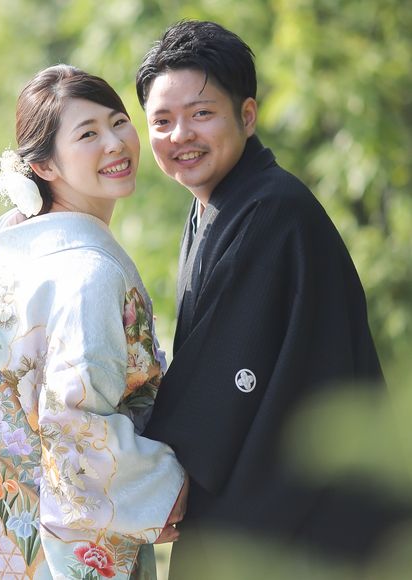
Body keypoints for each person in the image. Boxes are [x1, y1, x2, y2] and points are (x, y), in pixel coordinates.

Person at [135, 19, 409, 577]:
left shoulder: (272, 211)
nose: (180, 134)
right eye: (162, 121)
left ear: (248, 115)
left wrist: (139, 471)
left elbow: (223, 381)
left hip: (295, 514)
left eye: (201, 113)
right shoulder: (220, 204)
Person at [0, 64, 188, 580]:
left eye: (118, 122)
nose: (115, 143)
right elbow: (76, 428)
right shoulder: (88, 273)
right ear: (43, 165)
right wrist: (167, 489)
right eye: (88, 134)